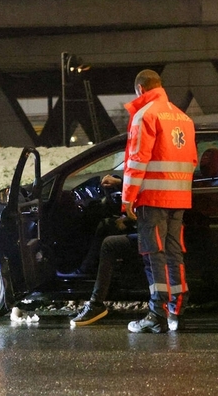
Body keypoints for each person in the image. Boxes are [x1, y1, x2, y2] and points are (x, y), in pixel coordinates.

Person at [122, 69, 197, 333]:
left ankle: (156, 314)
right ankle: (177, 310)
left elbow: (137, 159)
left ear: (140, 89)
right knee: (174, 253)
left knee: (154, 255)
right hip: (179, 196)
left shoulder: (146, 115)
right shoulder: (183, 117)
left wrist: (128, 198)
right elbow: (192, 160)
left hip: (152, 197)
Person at [69, 174, 139, 328]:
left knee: (109, 244)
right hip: (151, 226)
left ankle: (96, 304)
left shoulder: (150, 161)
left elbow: (147, 191)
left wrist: (129, 220)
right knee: (105, 225)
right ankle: (86, 268)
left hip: (150, 232)